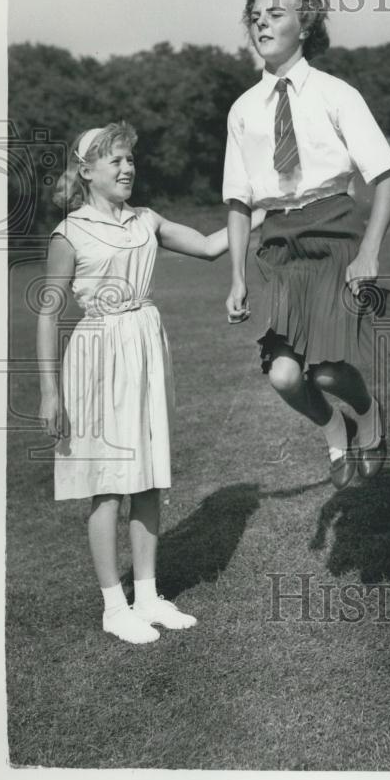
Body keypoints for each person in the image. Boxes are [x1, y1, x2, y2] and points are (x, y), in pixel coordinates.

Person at [37, 122, 229, 645]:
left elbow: (213, 245)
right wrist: (50, 392)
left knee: (147, 477)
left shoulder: (147, 220)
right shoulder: (69, 232)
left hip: (145, 347)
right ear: (87, 171)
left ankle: (147, 596)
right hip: (97, 355)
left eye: (129, 160)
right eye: (115, 161)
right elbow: (48, 315)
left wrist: (260, 207)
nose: (127, 168)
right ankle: (113, 607)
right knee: (107, 485)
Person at [223, 0, 390, 490]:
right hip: (278, 242)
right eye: (255, 16)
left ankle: (367, 416)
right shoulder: (242, 110)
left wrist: (368, 252)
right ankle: (333, 425)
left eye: (275, 13)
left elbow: (386, 174)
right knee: (283, 376)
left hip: (335, 234)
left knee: (325, 371)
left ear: (305, 25)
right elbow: (238, 199)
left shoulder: (335, 94)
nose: (262, 22)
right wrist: (236, 276)